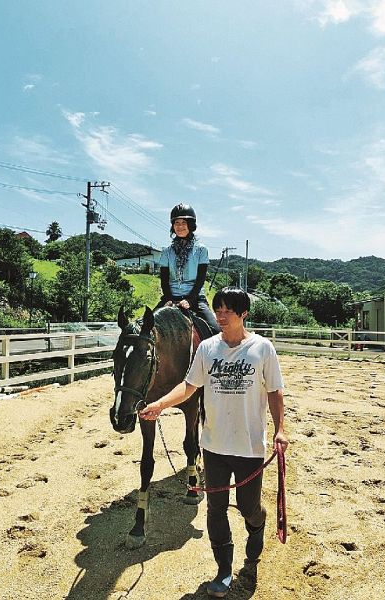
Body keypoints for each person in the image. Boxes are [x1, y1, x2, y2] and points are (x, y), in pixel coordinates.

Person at [140, 286, 288, 598]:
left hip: (249, 446)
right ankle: (223, 569)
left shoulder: (263, 349)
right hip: (214, 446)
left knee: (249, 507)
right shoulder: (207, 348)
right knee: (215, 510)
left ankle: (257, 527)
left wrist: (280, 429)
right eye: (218, 309)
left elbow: (275, 392)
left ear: (243, 313)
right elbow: (189, 386)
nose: (221, 315)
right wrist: (160, 405)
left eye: (227, 310)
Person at [154, 203, 219, 333]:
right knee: (144, 325)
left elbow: (201, 279)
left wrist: (190, 300)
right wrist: (168, 299)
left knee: (216, 330)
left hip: (195, 298)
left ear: (191, 225)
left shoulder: (201, 250)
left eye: (184, 222)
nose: (180, 226)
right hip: (171, 297)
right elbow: (164, 279)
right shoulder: (167, 252)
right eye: (176, 222)